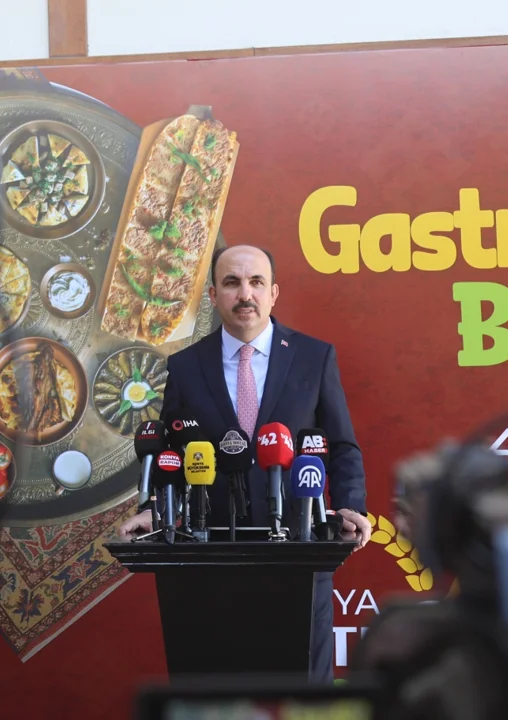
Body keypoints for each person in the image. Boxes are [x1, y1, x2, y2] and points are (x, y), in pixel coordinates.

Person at [119, 243, 372, 683]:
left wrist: (351, 505)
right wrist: (155, 511)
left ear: (274, 293)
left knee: (304, 694)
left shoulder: (314, 357)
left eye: (256, 282)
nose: (245, 294)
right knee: (216, 692)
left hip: (299, 547)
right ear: (214, 295)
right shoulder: (185, 366)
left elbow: (342, 446)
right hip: (211, 554)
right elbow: (170, 453)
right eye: (232, 283)